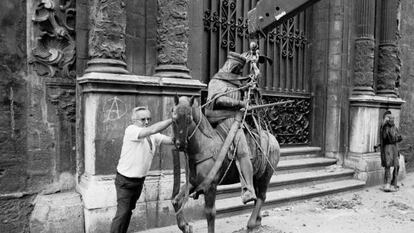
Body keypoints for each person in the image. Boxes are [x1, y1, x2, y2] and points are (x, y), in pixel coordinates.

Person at [110, 106, 174, 233]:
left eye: (148, 119)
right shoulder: (131, 130)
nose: (146, 122)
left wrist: (180, 130)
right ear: (134, 120)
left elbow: (170, 141)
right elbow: (153, 129)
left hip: (138, 181)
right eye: (143, 119)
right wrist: (172, 119)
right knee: (122, 213)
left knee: (128, 212)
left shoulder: (152, 135)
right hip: (125, 181)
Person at [205, 51, 257, 204]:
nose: (239, 72)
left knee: (243, 150)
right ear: (231, 66)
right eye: (237, 68)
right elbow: (217, 99)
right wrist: (239, 103)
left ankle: (248, 189)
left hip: (235, 119)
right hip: (220, 119)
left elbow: (246, 94)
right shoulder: (216, 81)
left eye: (240, 69)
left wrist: (250, 86)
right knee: (242, 150)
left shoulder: (236, 83)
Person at [380, 110, 403, 192]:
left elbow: (398, 137)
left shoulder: (394, 127)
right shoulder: (385, 128)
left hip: (395, 147)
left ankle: (393, 182)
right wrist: (397, 138)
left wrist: (398, 138)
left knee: (397, 165)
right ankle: (388, 183)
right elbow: (390, 138)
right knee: (388, 164)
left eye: (393, 119)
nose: (392, 121)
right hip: (388, 148)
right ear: (388, 120)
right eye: (391, 119)